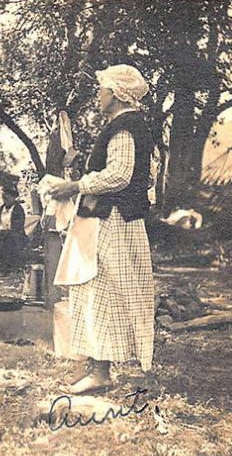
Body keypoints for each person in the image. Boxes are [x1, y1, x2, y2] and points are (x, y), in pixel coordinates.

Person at [49, 64, 155, 394]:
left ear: (117, 93)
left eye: (102, 90)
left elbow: (120, 175)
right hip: (110, 219)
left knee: (101, 292)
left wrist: (76, 186)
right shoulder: (124, 126)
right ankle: (98, 368)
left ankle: (100, 372)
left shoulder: (125, 127)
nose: (98, 95)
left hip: (114, 222)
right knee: (97, 293)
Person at [0, 185, 27, 273]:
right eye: (4, 198)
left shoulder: (18, 210)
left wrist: (0, 232)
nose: (5, 200)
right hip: (1, 236)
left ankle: (5, 269)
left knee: (7, 243)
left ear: (14, 197)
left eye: (7, 197)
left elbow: (17, 230)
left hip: (15, 237)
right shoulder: (1, 208)